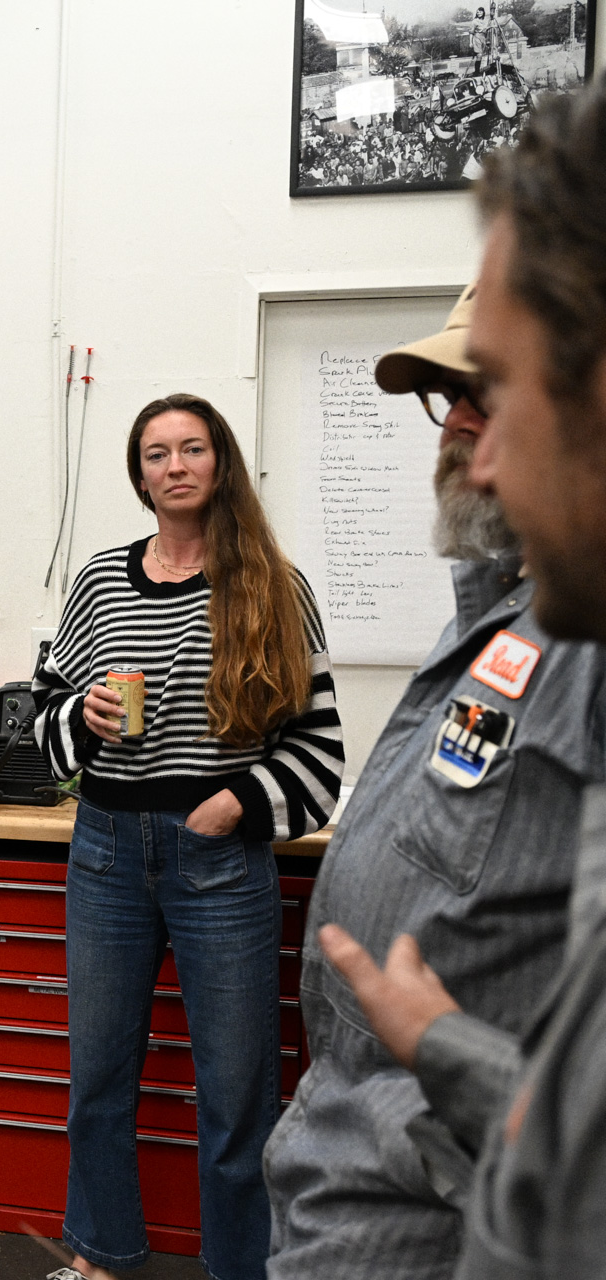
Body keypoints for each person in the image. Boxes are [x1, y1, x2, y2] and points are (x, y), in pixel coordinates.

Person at [321, 84, 606, 1277]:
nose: (467, 442)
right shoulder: (502, 619)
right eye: (450, 400)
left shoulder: (579, 643)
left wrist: (448, 1054)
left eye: (493, 388)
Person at [31, 394, 344, 1280]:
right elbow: (44, 714)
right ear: (139, 476)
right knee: (96, 1079)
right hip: (104, 850)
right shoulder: (99, 579)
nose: (176, 465)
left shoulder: (274, 588)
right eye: (157, 453)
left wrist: (237, 800)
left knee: (238, 1095)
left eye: (193, 448)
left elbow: (320, 750)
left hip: (218, 860)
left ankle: (241, 1269)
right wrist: (81, 719)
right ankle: (99, 1256)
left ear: (220, 463)